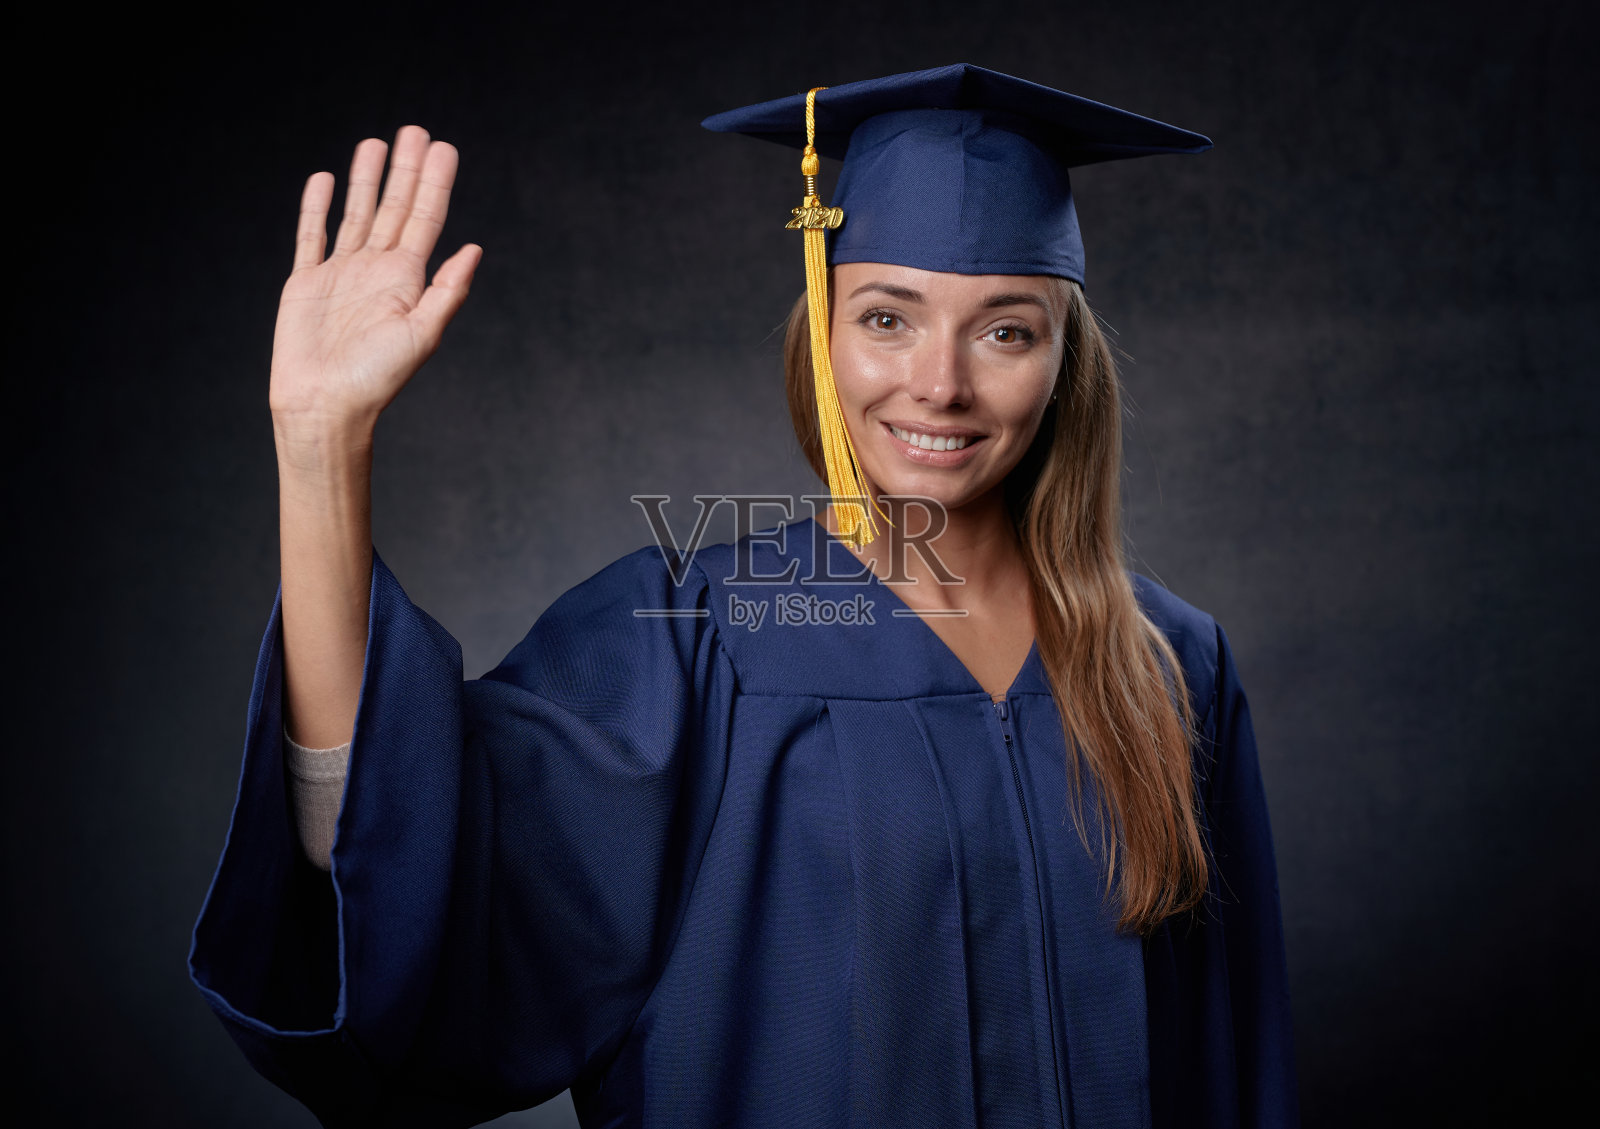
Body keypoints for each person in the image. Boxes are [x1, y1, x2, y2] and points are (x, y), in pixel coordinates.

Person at [188, 64, 1300, 1128]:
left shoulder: (1172, 664)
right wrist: (320, 448)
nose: (940, 381)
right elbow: (397, 850)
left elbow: (1233, 1063)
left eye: (1006, 329)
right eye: (885, 316)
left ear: (1066, 360)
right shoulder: (704, 635)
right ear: (820, 333)